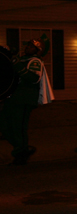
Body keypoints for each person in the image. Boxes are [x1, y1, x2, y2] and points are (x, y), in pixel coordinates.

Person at [0, 34, 52, 165]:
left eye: (31, 47)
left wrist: (16, 64)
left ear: (37, 50)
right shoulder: (22, 59)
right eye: (28, 45)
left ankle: (21, 152)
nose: (27, 48)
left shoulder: (35, 61)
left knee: (18, 127)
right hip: (12, 98)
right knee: (5, 125)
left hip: (24, 99)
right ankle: (21, 147)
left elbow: (33, 78)